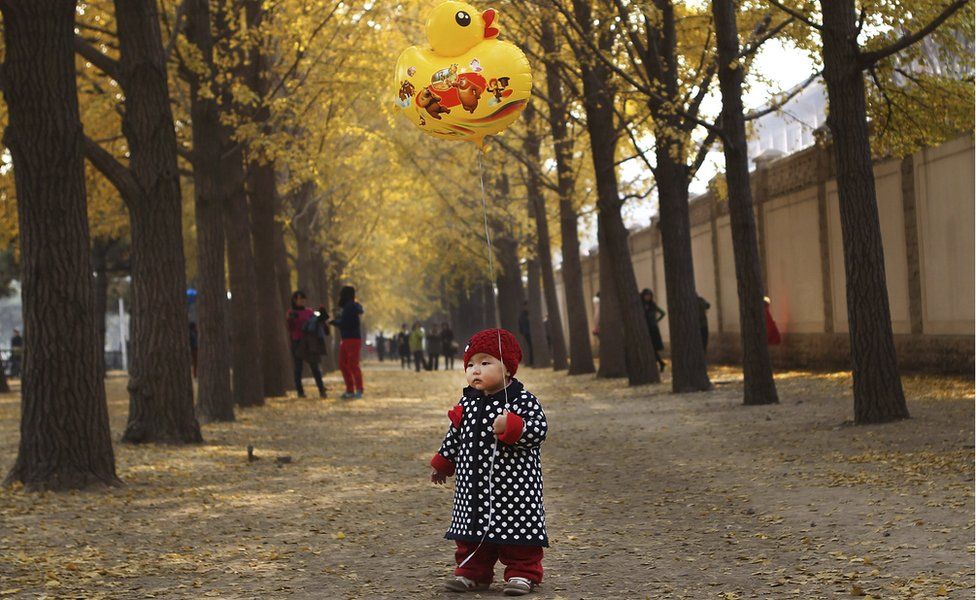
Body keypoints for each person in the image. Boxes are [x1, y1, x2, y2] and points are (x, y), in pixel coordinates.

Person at [430, 329, 548, 595]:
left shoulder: (522, 400)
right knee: (472, 535)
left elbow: (538, 431)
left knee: (518, 533)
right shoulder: (468, 403)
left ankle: (522, 572)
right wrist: (443, 462)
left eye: (485, 363)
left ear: (507, 369)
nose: (475, 371)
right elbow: (455, 436)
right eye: (470, 365)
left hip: (515, 488)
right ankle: (472, 573)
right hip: (473, 488)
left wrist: (514, 426)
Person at [286, 290, 327, 398]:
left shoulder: (309, 311)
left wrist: (321, 312)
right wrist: (291, 319)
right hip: (297, 341)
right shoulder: (291, 312)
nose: (302, 301)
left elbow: (317, 318)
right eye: (300, 299)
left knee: (314, 366)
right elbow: (290, 328)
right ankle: (300, 392)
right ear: (295, 300)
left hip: (309, 342)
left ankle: (322, 390)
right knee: (298, 368)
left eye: (304, 299)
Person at [331, 285, 365, 399]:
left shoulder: (350, 307)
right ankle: (350, 389)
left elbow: (345, 324)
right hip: (345, 339)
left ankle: (359, 389)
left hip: (352, 339)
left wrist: (333, 322)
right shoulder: (348, 307)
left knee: (352, 365)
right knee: (343, 364)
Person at [640, 289, 667, 372]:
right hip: (646, 328)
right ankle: (660, 363)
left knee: (653, 348)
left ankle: (659, 363)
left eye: (649, 295)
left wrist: (656, 320)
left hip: (652, 328)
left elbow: (662, 313)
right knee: (649, 348)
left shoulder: (652, 305)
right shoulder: (641, 305)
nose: (648, 297)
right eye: (646, 295)